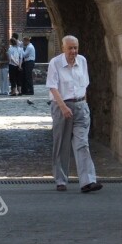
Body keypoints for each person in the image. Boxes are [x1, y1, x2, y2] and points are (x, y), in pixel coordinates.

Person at [47, 35, 102, 194]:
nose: (73, 51)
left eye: (75, 48)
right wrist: (63, 107)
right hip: (61, 106)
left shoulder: (82, 61)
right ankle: (61, 179)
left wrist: (84, 104)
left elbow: (84, 85)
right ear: (63, 48)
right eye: (70, 48)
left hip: (80, 106)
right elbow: (52, 87)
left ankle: (88, 181)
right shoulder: (55, 63)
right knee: (61, 144)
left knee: (82, 143)